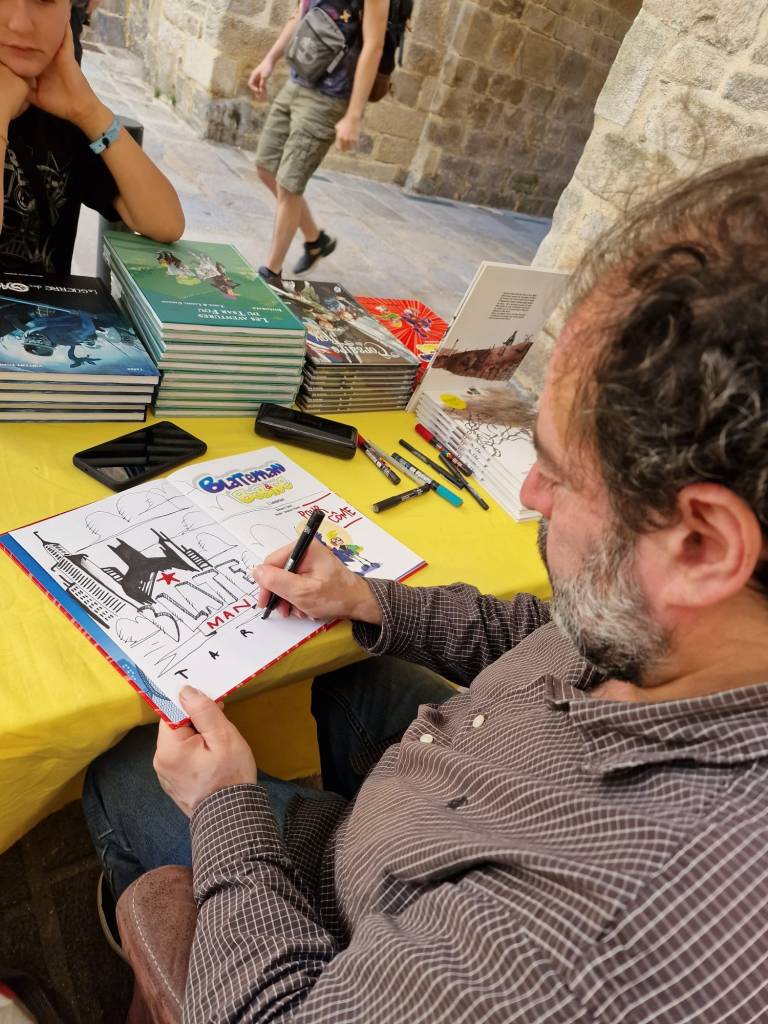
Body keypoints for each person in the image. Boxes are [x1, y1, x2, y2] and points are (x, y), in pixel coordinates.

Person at [84, 154, 768, 1022]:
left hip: (337, 929)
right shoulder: (681, 630)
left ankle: (135, 942)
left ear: (703, 545)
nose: (529, 493)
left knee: (121, 768)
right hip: (442, 800)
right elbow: (545, 630)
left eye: (558, 474)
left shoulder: (597, 934)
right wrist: (367, 601)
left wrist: (224, 809)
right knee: (344, 668)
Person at [0, 0, 184, 275]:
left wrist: (89, 112)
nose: (20, 23)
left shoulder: (62, 118)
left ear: (69, 10)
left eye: (45, 0)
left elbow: (165, 222)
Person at [247, 0, 388, 285]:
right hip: (297, 81)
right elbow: (300, 15)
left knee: (290, 184)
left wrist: (353, 115)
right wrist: (269, 59)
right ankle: (316, 241)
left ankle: (271, 273)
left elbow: (374, 47)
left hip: (329, 99)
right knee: (266, 167)